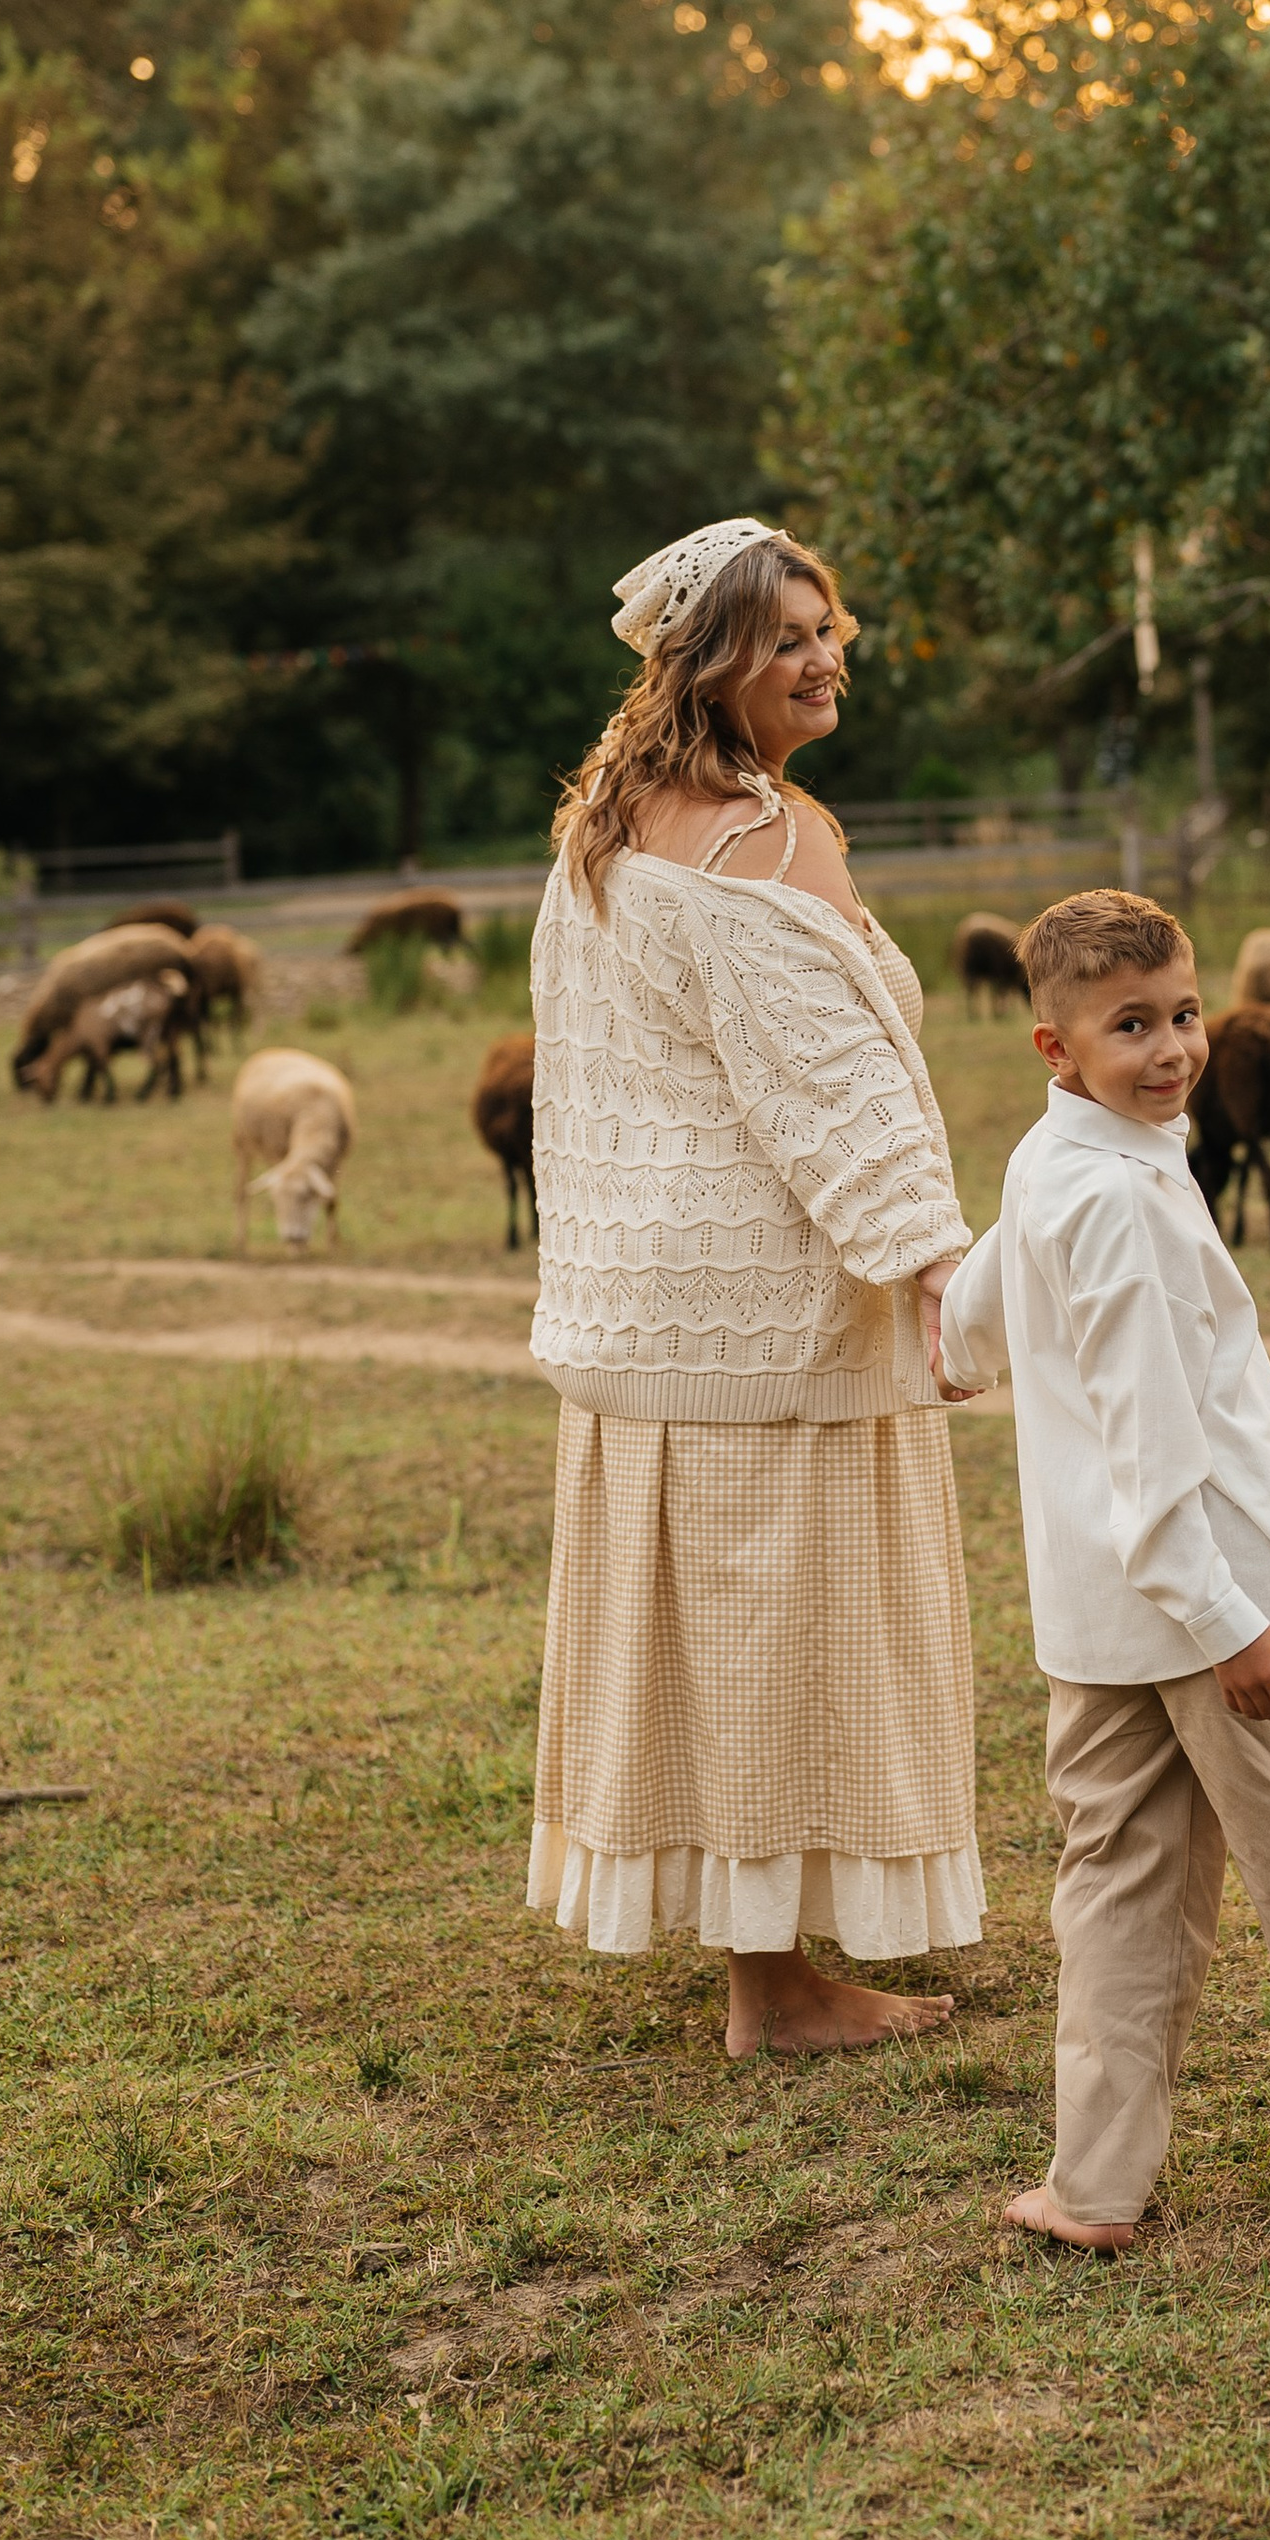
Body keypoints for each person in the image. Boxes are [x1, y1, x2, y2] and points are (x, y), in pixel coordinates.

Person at [939, 887, 1270, 2246]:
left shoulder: (1064, 1157)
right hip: (1209, 1602)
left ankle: (1096, 2185)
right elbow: (1153, 1438)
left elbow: (997, 1281)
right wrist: (1235, 1624)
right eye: (1131, 1027)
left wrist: (958, 1348)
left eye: (1182, 1014)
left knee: (1117, 1889)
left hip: (1095, 1618)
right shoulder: (1124, 1200)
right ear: (1057, 1049)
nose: (1173, 1049)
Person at [524, 515, 982, 2057]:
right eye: (786, 636)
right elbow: (831, 1086)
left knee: (721, 1647)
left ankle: (762, 1964)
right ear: (710, 661)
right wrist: (939, 1261)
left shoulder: (613, 813)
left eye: (827, 626)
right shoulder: (766, 838)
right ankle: (779, 1992)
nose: (822, 655)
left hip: (655, 1309)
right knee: (783, 1641)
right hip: (770, 1307)